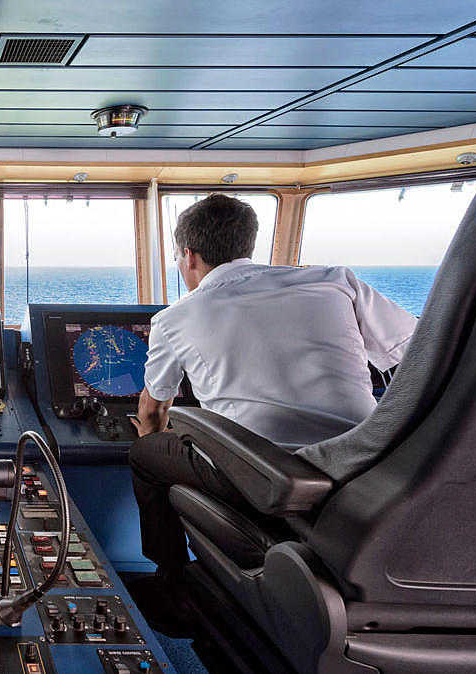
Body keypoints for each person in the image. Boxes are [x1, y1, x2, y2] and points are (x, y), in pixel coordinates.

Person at [128, 194, 417, 629]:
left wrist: (155, 435)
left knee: (145, 457)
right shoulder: (336, 281)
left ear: (188, 255)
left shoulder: (175, 318)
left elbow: (153, 412)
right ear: (248, 244)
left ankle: (171, 581)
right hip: (360, 463)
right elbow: (418, 358)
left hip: (260, 471)